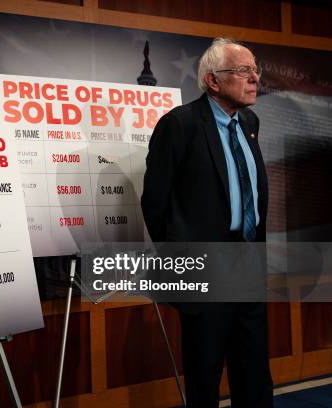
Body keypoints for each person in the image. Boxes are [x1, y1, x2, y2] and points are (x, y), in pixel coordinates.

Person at [141, 38, 273, 407]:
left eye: (255, 70)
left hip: (247, 266)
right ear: (213, 81)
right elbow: (154, 202)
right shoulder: (179, 125)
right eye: (243, 71)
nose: (255, 78)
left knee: (254, 372)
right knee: (205, 377)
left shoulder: (249, 122)